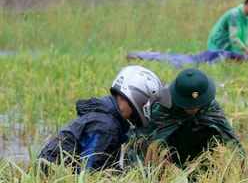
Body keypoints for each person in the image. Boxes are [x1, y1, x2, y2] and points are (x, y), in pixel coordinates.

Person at [38, 65, 170, 173]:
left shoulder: (108, 118)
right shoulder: (105, 126)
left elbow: (105, 167)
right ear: (140, 97)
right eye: (152, 103)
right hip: (52, 179)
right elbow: (90, 175)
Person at [126, 68, 244, 169]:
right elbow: (141, 145)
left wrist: (239, 166)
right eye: (187, 106)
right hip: (167, 153)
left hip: (197, 154)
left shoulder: (209, 106)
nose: (193, 110)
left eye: (196, 106)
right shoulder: (160, 106)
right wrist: (167, 166)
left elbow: (229, 139)